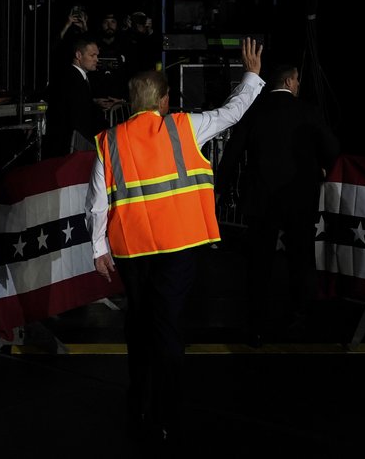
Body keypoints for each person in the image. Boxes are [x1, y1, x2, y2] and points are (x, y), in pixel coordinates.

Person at [85, 38, 264, 443]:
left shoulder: (109, 141)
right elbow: (232, 113)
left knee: (138, 321)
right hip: (178, 248)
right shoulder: (185, 126)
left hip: (132, 252)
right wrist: (251, 75)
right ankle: (166, 412)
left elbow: (96, 203)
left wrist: (98, 249)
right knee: (166, 325)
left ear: (132, 103)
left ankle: (140, 400)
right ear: (163, 101)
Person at [222, 63, 338, 345]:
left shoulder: (254, 112)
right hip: (299, 198)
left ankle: (257, 325)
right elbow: (332, 150)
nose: (299, 85)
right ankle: (298, 320)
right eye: (297, 80)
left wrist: (221, 189)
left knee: (259, 262)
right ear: (288, 81)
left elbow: (232, 153)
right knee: (300, 258)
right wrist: (322, 169)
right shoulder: (308, 112)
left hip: (261, 199)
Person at [43, 35, 114, 158]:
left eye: (97, 55)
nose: (97, 59)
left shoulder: (79, 77)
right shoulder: (72, 78)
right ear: (79, 55)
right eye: (92, 55)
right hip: (69, 147)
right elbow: (77, 115)